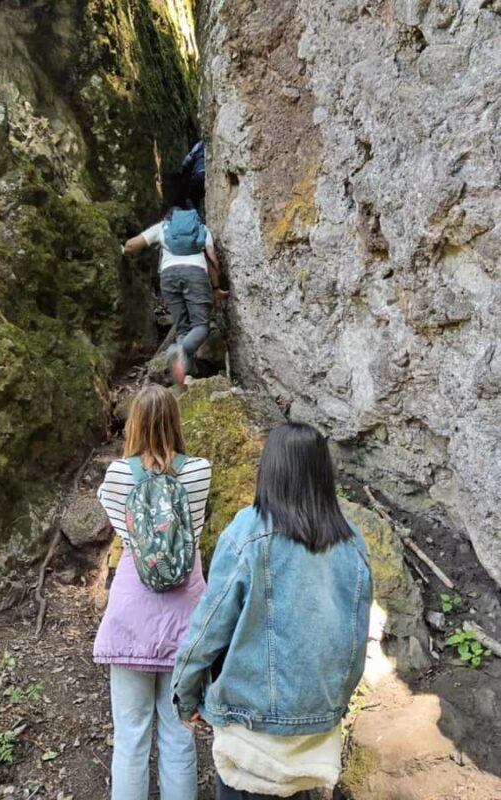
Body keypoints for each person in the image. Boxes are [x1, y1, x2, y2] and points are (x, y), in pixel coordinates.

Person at [172, 422, 372, 800]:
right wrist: (333, 705)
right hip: (315, 735)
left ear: (271, 470)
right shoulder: (351, 540)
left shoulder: (250, 531)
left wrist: (187, 694)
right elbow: (355, 639)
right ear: (322, 474)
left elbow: (209, 624)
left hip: (251, 733)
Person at [93, 384, 212, 800]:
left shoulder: (117, 475)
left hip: (131, 615)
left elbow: (118, 523)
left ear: (135, 424)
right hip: (186, 617)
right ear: (176, 421)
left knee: (130, 736)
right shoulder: (200, 470)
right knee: (179, 735)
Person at [123, 173, 227, 384]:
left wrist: (122, 250)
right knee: (201, 326)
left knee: (183, 328)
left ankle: (185, 376)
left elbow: (133, 245)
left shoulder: (163, 227)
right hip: (195, 273)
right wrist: (216, 287)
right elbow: (211, 258)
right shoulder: (201, 229)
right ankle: (180, 352)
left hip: (169, 277)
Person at [182, 140, 205, 209]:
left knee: (188, 197)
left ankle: (194, 216)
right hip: (211, 177)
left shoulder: (199, 145)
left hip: (199, 175)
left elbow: (186, 162)